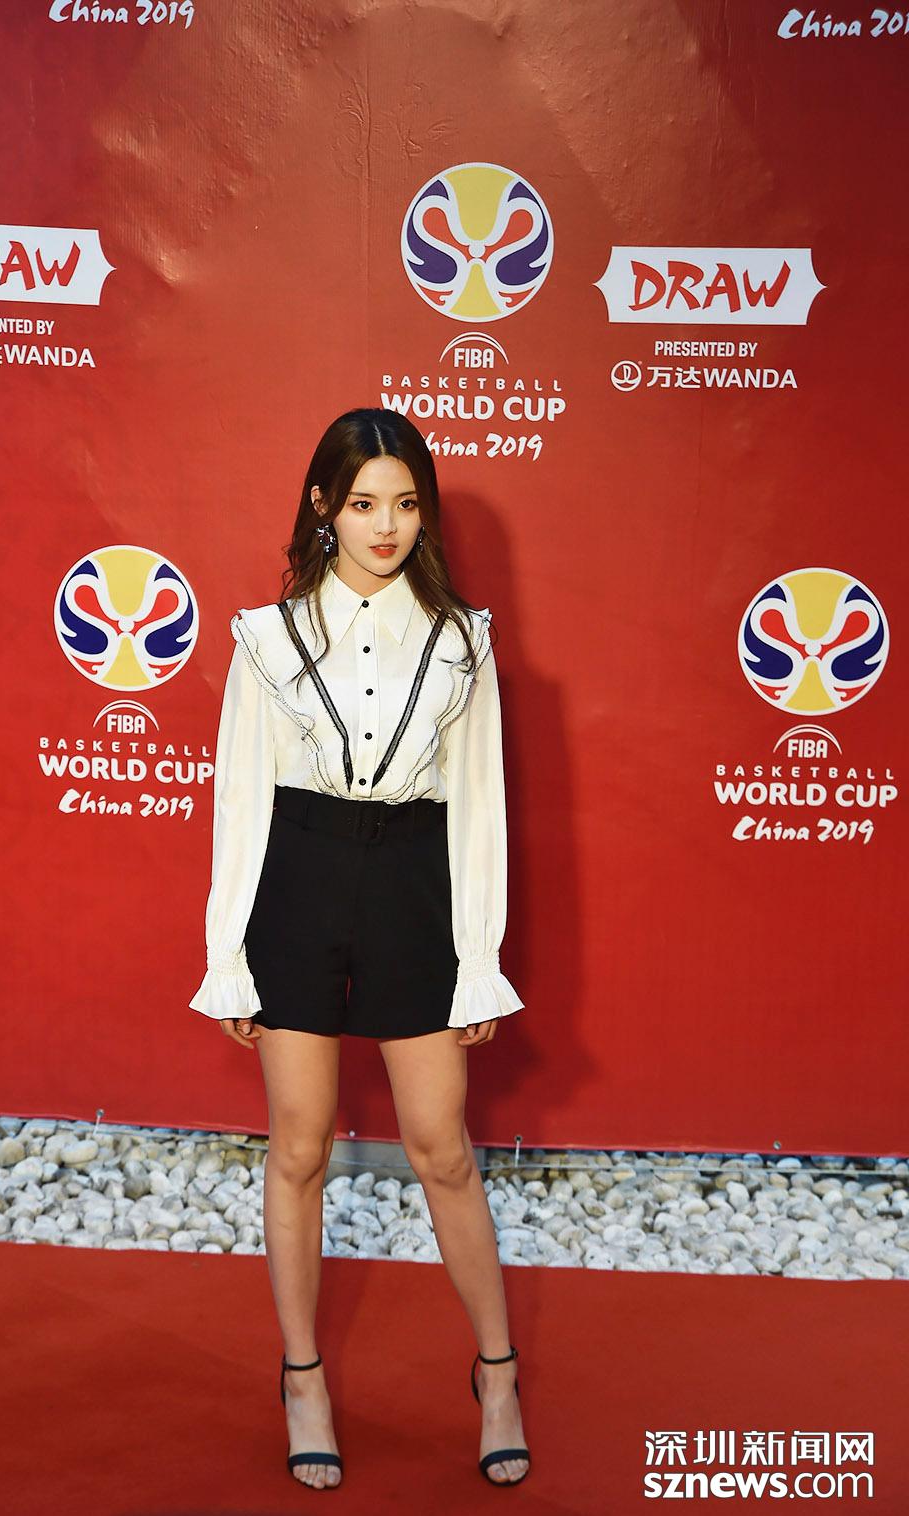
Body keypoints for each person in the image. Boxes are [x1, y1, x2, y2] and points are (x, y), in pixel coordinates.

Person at [189, 407, 530, 1490]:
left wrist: (478, 957)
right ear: (323, 507)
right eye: (364, 502)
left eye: (406, 503)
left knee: (442, 1146)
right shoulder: (269, 636)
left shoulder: (462, 640)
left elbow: (478, 807)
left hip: (412, 883)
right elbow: (241, 801)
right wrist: (228, 953)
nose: (385, 526)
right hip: (296, 879)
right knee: (298, 1148)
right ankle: (303, 1379)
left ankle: (497, 1372)